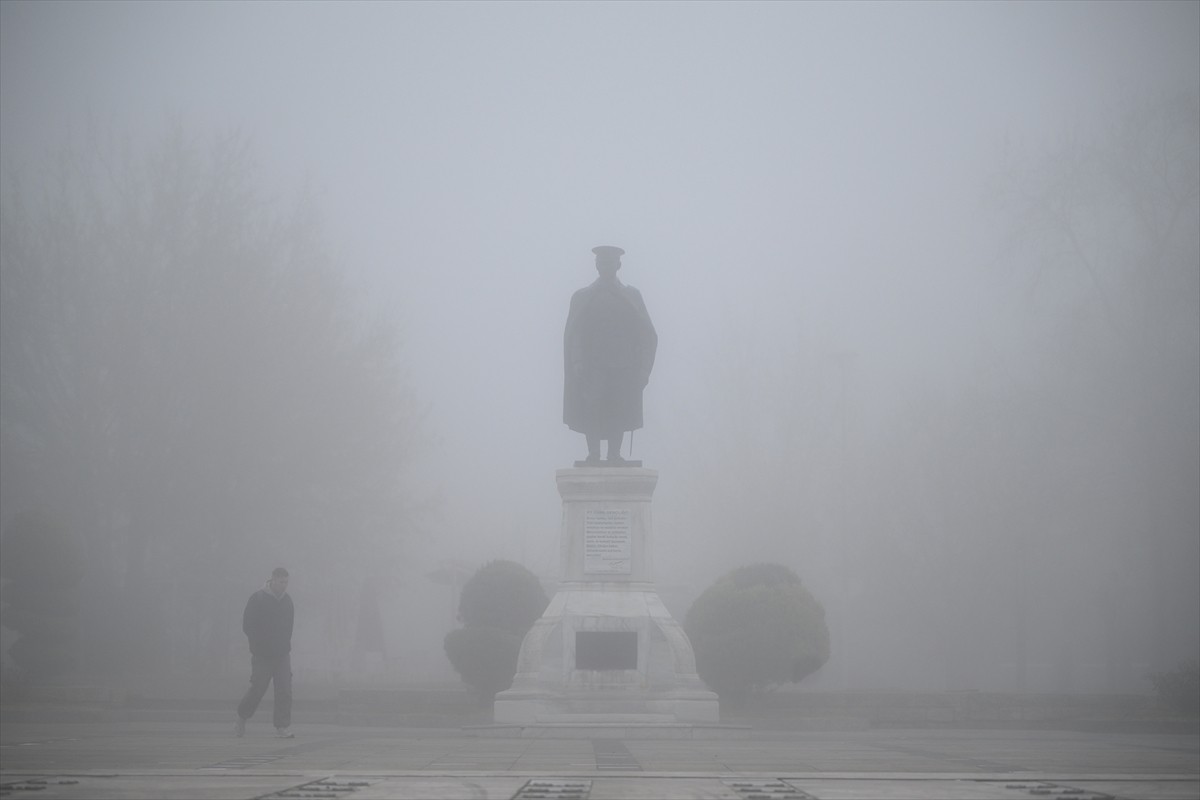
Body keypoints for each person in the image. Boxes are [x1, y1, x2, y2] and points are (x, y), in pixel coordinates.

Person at [563, 245, 657, 465]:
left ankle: (615, 453)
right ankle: (593, 453)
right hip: (593, 365)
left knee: (619, 407)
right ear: (596, 266)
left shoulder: (631, 295)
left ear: (618, 265)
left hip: (623, 365)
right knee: (592, 406)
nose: (605, 266)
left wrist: (644, 369)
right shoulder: (583, 297)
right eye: (602, 262)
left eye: (610, 262)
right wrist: (577, 360)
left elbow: (645, 333)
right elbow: (575, 333)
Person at [234, 567, 295, 738]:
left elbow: (289, 626)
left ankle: (282, 726)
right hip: (262, 655)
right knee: (258, 689)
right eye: (281, 582)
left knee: (285, 690)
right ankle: (242, 717)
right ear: (273, 579)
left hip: (282, 654)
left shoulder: (287, 601)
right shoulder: (258, 598)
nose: (284, 585)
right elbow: (248, 625)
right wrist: (258, 645)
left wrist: (284, 644)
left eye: (286, 582)